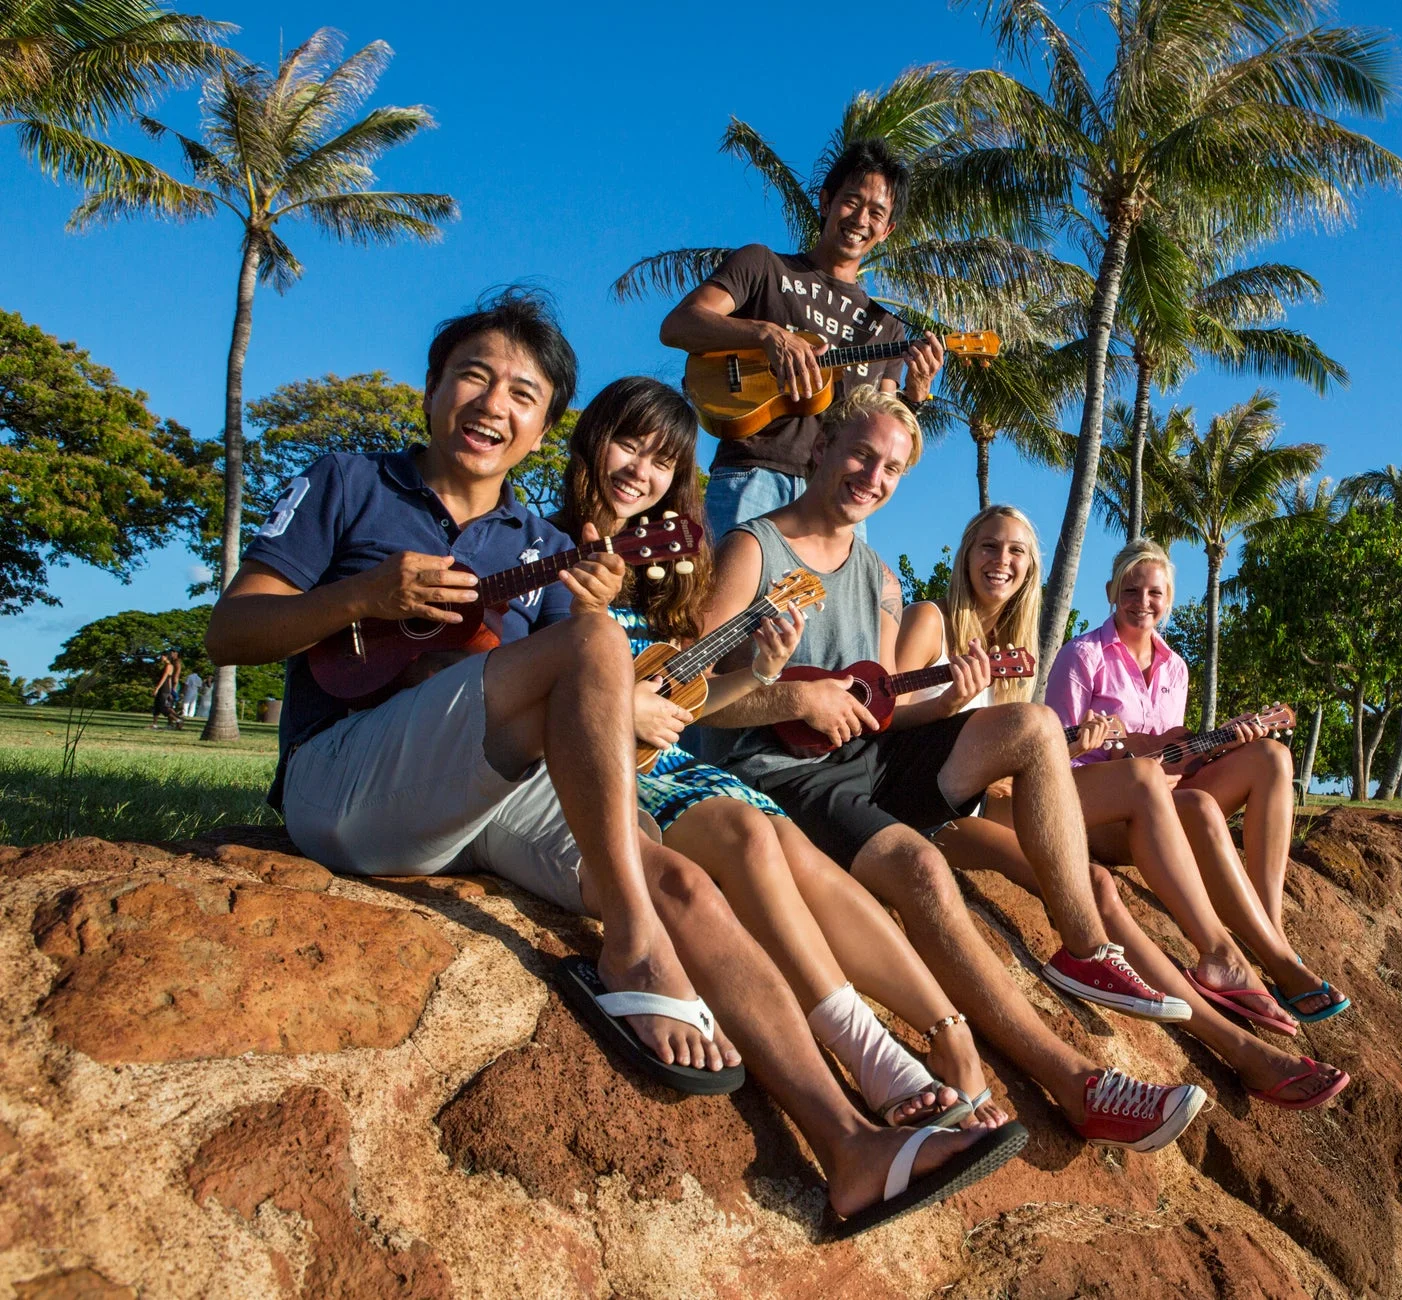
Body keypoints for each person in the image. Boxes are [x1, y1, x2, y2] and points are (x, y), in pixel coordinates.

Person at [205, 289, 1019, 1232]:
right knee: (595, 654)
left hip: (474, 796)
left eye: (522, 392)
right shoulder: (349, 481)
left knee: (682, 880)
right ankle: (633, 946)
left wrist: (641, 783)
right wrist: (366, 598)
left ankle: (849, 1144)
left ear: (542, 423)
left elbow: (589, 717)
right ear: (431, 390)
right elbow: (232, 629)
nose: (493, 404)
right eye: (474, 376)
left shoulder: (539, 546)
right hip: (342, 780)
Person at [700, 387, 1209, 1153]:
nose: (875, 476)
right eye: (862, 455)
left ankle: (1081, 949)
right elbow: (691, 695)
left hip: (864, 757)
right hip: (779, 773)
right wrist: (791, 699)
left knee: (1032, 725)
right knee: (921, 867)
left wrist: (947, 706)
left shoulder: (875, 575)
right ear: (818, 451)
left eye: (893, 468)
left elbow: (880, 711)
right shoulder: (751, 549)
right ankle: (1077, 1083)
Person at [551, 374, 1005, 1130]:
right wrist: (777, 695)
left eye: (663, 462)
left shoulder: (664, 573)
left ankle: (940, 1032)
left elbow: (688, 691)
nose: (640, 471)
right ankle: (870, 1054)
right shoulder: (536, 546)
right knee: (754, 832)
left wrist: (762, 668)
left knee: (792, 847)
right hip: (595, 766)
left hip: (666, 758)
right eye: (628, 445)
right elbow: (547, 679)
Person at [905, 507, 1349, 1110]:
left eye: (1016, 553)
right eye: (989, 546)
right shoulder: (932, 619)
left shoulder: (1012, 649)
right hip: (942, 806)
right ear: (965, 551)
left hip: (1006, 794)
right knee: (1112, 847)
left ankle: (1234, 962)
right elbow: (889, 724)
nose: (1002, 562)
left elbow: (1025, 753)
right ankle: (1238, 1039)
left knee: (1130, 844)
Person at [1046, 539, 1352, 1026]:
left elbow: (1171, 757)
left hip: (1160, 799)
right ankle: (1270, 960)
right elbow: (1052, 758)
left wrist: (1223, 745)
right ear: (1110, 591)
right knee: (1195, 806)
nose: (1142, 602)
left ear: (1169, 600)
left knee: (1270, 756)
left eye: (1154, 593)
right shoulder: (1082, 656)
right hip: (1100, 811)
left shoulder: (1176, 668)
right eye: (1131, 590)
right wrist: (1103, 747)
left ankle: (1267, 930)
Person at [658, 137, 943, 539]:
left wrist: (916, 395)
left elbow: (880, 426)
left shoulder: (886, 328)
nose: (861, 219)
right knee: (725, 602)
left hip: (836, 498)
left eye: (876, 213)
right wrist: (765, 333)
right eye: (851, 201)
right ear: (826, 202)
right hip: (750, 474)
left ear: (887, 229)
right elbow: (678, 326)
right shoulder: (763, 266)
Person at [150, 650, 181, 729]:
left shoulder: (169, 666)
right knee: (156, 706)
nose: (161, 658)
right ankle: (154, 724)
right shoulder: (165, 665)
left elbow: (164, 678)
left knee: (163, 707)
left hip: (164, 688)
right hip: (164, 688)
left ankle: (178, 720)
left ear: (166, 657)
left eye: (162, 656)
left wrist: (157, 688)